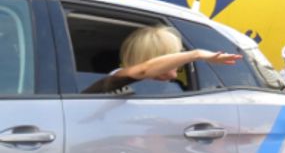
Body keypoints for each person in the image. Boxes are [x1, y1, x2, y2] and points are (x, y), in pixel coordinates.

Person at [83, 25, 240, 94]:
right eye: (174, 55)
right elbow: (144, 70)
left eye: (178, 55)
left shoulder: (176, 89)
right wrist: (196, 54)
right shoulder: (119, 81)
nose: (178, 62)